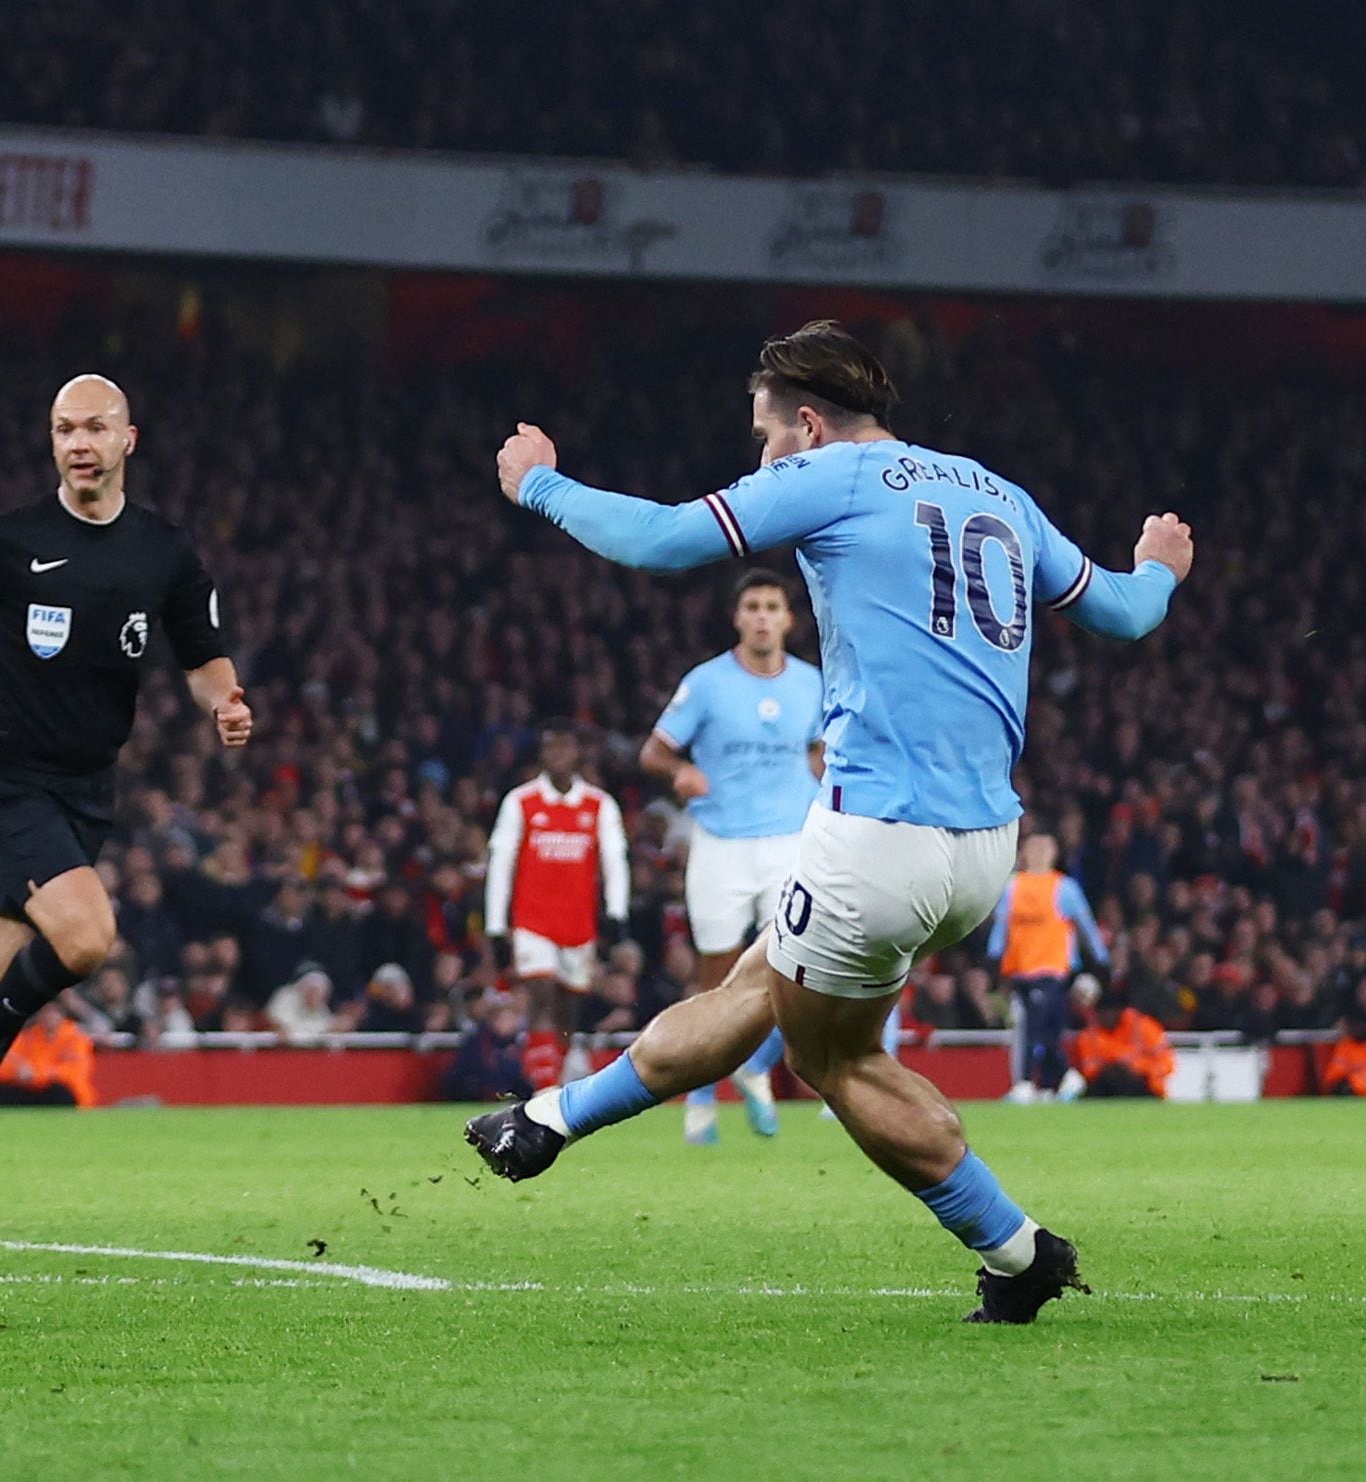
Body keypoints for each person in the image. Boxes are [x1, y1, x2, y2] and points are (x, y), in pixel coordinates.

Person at [463, 321, 1188, 1324]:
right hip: (982, 844)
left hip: (876, 837)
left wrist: (537, 482)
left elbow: (661, 540)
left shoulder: (832, 475)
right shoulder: (995, 491)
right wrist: (1159, 565)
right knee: (762, 982)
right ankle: (544, 1121)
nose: (760, 458)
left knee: (830, 1057)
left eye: (764, 435)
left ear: (806, 424)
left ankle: (1017, 1251)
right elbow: (1124, 612)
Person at [0, 373, 253, 1232]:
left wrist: (226, 704)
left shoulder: (165, 551)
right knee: (86, 939)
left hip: (87, 790)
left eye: (94, 428)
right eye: (62, 429)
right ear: (51, 443)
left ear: (129, 439)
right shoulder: (5, 542)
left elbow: (203, 658)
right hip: (3, 777)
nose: (78, 443)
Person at [641, 569, 824, 1144]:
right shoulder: (708, 683)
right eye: (753, 606)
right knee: (714, 978)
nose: (764, 616)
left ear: (789, 619)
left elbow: (821, 751)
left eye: (773, 606)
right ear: (738, 618)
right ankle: (700, 1097)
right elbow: (655, 751)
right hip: (720, 844)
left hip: (790, 844)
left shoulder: (814, 684)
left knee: (791, 974)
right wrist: (681, 771)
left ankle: (751, 1064)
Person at [483, 724, 628, 1092]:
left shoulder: (598, 804)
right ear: (541, 754)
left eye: (565, 746)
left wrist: (616, 912)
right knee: (541, 994)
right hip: (533, 921)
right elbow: (501, 861)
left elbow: (614, 859)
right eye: (551, 747)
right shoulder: (522, 802)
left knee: (569, 1008)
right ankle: (544, 1090)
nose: (558, 754)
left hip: (578, 925)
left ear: (578, 753)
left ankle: (557, 1073)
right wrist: (496, 925)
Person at [986, 832, 1110, 1101]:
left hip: (1053, 970)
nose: (1040, 853)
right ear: (1024, 853)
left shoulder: (1064, 888)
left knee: (1034, 1026)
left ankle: (1026, 1083)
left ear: (1054, 854)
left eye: (1045, 848)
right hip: (1019, 970)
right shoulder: (1013, 887)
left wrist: (1101, 962)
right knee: (1046, 1029)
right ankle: (1067, 1077)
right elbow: (1001, 925)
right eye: (1034, 848)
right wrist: (993, 960)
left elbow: (1086, 926)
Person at [1065, 985, 1175, 1099]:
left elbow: (1166, 1063)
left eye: (1108, 1011)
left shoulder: (1145, 1027)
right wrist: (1116, 1066)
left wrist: (1137, 1068)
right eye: (1101, 1012)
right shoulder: (1088, 1036)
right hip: (1106, 1086)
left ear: (1118, 1011)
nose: (1104, 1016)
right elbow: (1089, 1071)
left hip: (1145, 1085)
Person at [0, 1000, 97, 1107]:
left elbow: (73, 1071)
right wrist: (17, 1072)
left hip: (60, 1091)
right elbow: (4, 1061)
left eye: (52, 1012)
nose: (48, 1016)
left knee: (57, 1092)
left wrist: (36, 1075)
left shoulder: (77, 1039)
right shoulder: (27, 1037)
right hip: (29, 1089)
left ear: (62, 1014)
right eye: (44, 1012)